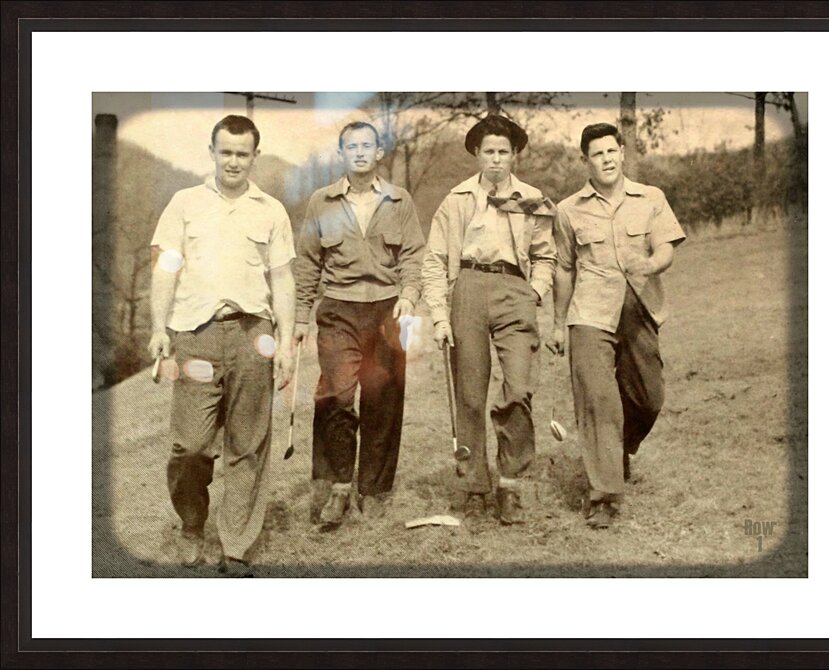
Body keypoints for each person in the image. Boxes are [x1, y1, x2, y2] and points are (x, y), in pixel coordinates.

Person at [147, 114, 296, 575]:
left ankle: (236, 546)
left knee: (248, 445)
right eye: (225, 151)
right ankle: (193, 525)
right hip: (196, 336)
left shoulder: (270, 209)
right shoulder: (184, 203)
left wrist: (286, 342)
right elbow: (166, 268)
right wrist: (158, 328)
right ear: (212, 153)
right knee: (190, 445)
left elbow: (283, 278)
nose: (233, 161)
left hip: (255, 334)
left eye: (242, 153)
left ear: (255, 156)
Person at [547, 122, 686, 529]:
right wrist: (558, 324)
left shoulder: (650, 198)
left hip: (640, 306)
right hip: (590, 312)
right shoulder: (568, 210)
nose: (606, 159)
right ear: (584, 161)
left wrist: (652, 263)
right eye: (597, 154)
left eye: (612, 151)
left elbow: (665, 247)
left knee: (649, 398)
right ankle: (604, 494)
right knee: (597, 402)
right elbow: (564, 270)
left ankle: (619, 448)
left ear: (622, 152)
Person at [421, 114, 557, 525]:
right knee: (470, 393)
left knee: (518, 388)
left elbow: (545, 256)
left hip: (514, 290)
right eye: (489, 152)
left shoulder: (533, 199)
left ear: (514, 155)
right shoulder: (457, 200)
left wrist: (533, 292)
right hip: (467, 289)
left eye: (503, 152)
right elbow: (434, 261)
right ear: (477, 155)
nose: (496, 159)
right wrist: (441, 318)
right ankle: (474, 485)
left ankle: (511, 485)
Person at [293, 121, 425, 529]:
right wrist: (299, 318)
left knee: (383, 401)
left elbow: (414, 257)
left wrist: (409, 294)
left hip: (388, 310)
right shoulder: (322, 202)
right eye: (352, 146)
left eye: (368, 145)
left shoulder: (399, 201)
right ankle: (336, 487)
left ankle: (374, 490)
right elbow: (308, 264)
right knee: (336, 393)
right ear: (342, 153)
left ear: (380, 152)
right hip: (339, 311)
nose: (361, 152)